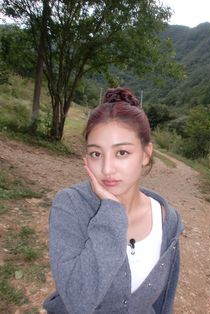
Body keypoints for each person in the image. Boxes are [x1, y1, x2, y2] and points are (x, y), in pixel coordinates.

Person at [43, 87, 183, 314]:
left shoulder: (168, 220)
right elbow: (78, 300)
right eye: (96, 154)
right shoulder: (70, 205)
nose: (107, 169)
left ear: (146, 154)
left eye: (122, 153)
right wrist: (111, 211)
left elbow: (164, 300)